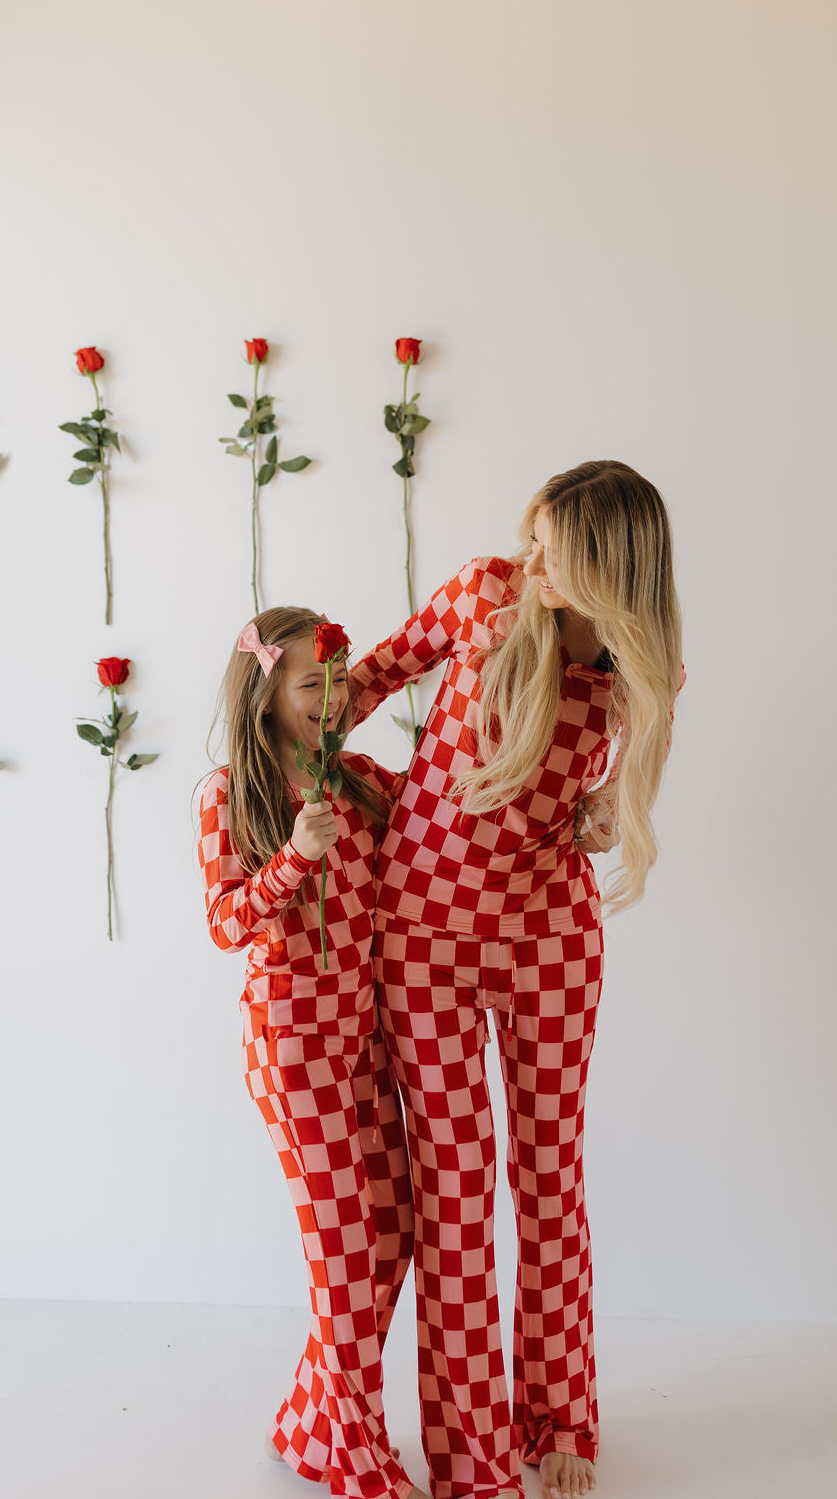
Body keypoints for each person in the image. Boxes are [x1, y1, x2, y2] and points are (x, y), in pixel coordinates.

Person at [351, 461, 684, 1499]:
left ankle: (558, 1417)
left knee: (547, 1183)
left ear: (607, 568)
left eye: (554, 548)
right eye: (531, 536)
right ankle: (470, 1455)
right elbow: (367, 677)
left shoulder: (640, 671)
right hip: (424, 932)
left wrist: (593, 818)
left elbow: (608, 802)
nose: (528, 558)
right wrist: (279, 761)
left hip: (547, 935)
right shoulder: (483, 595)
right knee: (455, 1194)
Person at [198, 607, 427, 1499]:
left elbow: (452, 814)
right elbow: (224, 924)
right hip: (293, 1051)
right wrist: (293, 860)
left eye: (338, 680)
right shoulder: (232, 795)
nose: (334, 700)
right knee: (344, 1258)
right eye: (309, 685)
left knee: (395, 1232)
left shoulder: (364, 780)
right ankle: (356, 1456)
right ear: (265, 696)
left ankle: (307, 1421)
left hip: (364, 1043)